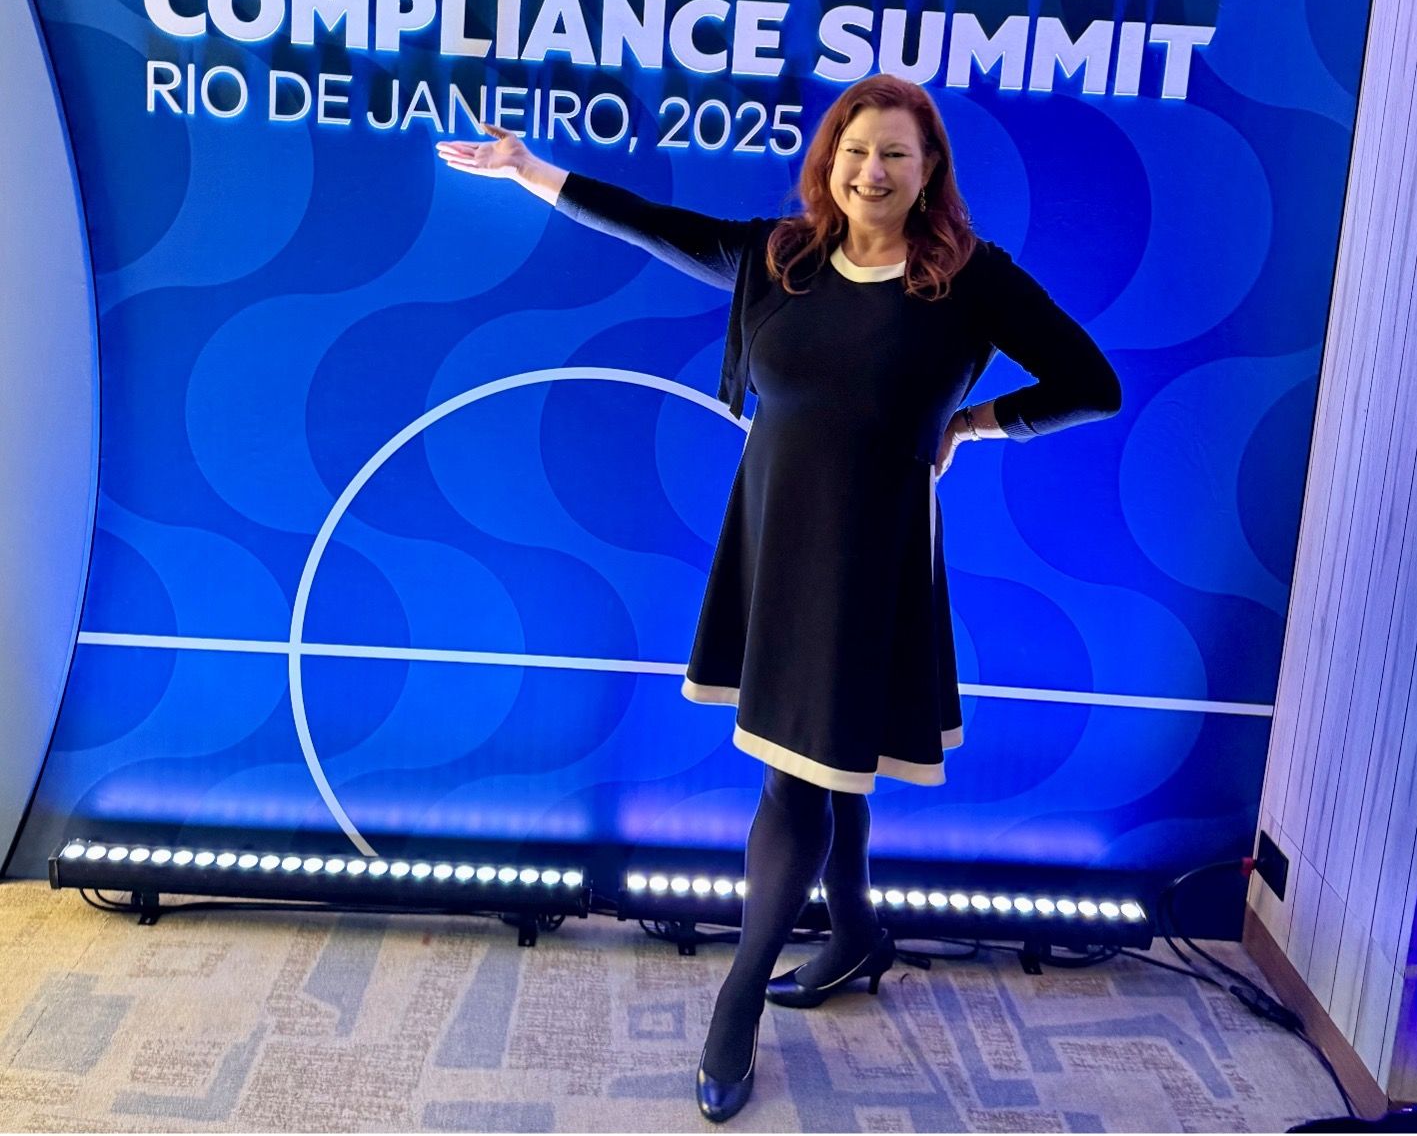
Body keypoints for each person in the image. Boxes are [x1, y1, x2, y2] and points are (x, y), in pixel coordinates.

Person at [436, 74, 1121, 1123]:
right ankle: (853, 932)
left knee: (797, 777)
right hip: (772, 538)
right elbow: (652, 226)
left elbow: (1089, 381)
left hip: (872, 556)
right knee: (826, 751)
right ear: (828, 161)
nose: (871, 171)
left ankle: (736, 1001)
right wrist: (533, 173)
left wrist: (973, 427)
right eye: (854, 151)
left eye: (894, 153)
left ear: (928, 168)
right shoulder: (780, 256)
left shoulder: (970, 279)